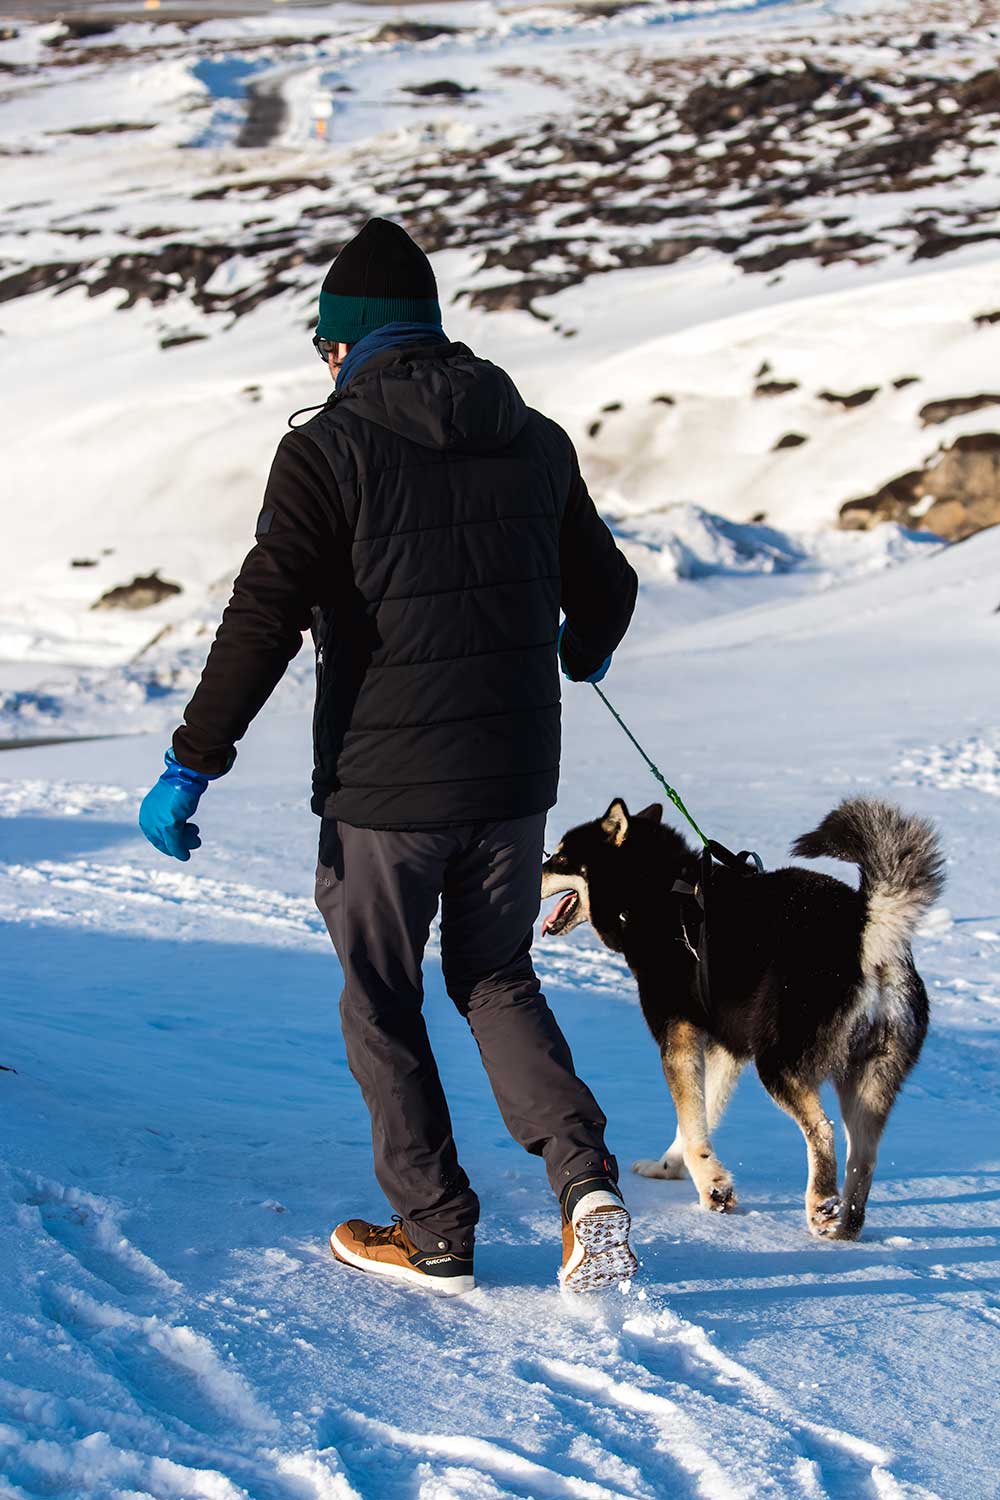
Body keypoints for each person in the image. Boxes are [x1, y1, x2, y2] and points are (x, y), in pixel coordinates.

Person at [139, 218, 639, 1294]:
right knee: (495, 974)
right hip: (512, 779)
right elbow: (608, 589)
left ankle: (436, 1231)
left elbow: (263, 616)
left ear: (342, 346)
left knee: (380, 991)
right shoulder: (534, 435)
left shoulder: (325, 447)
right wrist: (581, 648)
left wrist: (193, 760)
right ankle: (585, 1184)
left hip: (385, 789)